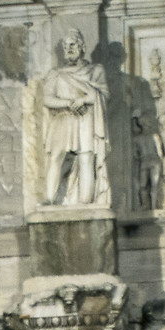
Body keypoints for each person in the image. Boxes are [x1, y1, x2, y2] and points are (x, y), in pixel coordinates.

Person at [39, 32, 109, 205]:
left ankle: (86, 202)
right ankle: (50, 198)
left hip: (86, 119)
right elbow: (47, 99)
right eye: (65, 46)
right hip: (63, 119)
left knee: (86, 158)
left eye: (73, 45)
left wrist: (83, 100)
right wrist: (69, 103)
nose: (68, 49)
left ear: (82, 47)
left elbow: (102, 96)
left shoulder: (95, 71)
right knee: (57, 157)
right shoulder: (56, 73)